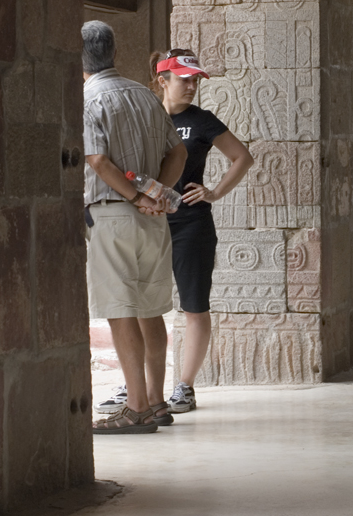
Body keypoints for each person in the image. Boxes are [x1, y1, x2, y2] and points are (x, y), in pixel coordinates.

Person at [98, 49, 253, 416]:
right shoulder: (144, 115)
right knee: (136, 306)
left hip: (190, 224)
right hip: (147, 220)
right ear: (161, 80)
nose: (192, 86)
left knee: (193, 306)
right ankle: (136, 386)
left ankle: (184, 386)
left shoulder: (203, 120)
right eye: (185, 79)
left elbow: (242, 157)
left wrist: (213, 191)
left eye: (196, 80)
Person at [81, 21, 187, 435]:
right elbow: (176, 151)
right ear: (113, 51)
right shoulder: (144, 94)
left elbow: (97, 161)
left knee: (121, 311)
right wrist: (159, 193)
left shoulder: (88, 99)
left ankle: (137, 406)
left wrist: (135, 196)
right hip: (153, 219)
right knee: (150, 310)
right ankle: (159, 401)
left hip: (114, 213)